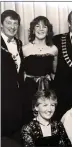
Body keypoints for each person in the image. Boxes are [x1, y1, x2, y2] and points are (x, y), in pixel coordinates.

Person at [22, 16, 58, 123]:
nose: (41, 29)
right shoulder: (25, 49)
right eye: (37, 26)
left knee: (48, 115)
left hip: (47, 87)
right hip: (29, 89)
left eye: (44, 27)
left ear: (48, 31)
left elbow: (54, 72)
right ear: (33, 30)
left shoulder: (54, 49)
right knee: (29, 117)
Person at [1, 10, 24, 146]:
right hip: (2, 96)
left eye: (15, 23)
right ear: (1, 25)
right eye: (8, 23)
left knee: (16, 135)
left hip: (17, 98)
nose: (12, 26)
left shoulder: (19, 44)